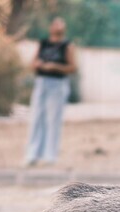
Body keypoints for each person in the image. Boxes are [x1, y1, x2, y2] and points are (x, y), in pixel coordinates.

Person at [25, 17, 77, 166]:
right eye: (56, 23)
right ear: (51, 27)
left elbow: (72, 67)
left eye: (61, 23)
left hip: (58, 83)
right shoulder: (43, 44)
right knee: (36, 117)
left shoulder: (67, 46)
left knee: (53, 119)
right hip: (42, 82)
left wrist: (55, 66)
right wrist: (39, 64)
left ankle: (50, 156)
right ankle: (32, 154)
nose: (58, 26)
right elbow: (33, 63)